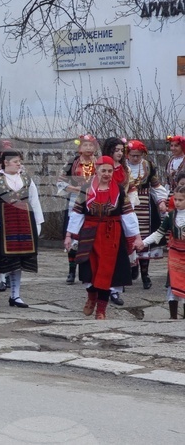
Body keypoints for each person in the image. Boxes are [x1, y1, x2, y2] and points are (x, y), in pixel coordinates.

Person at [65, 156, 140, 320]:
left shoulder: (119, 190)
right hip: (89, 234)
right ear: (96, 170)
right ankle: (91, 296)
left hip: (111, 235)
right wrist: (69, 235)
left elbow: (128, 214)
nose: (107, 174)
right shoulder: (86, 189)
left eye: (110, 171)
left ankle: (101, 310)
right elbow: (77, 212)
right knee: (89, 270)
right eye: (103, 170)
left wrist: (136, 237)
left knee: (107, 272)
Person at [0, 148, 44, 308]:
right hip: (3, 225)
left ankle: (15, 296)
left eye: (20, 161)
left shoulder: (26, 179)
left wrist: (38, 224)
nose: (19, 164)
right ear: (5, 162)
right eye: (16, 161)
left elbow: (34, 200)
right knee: (0, 260)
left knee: (19, 260)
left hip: (24, 224)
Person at [125, 140, 167, 291]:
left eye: (138, 155)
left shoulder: (148, 166)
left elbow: (156, 185)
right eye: (133, 155)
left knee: (144, 239)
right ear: (127, 154)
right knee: (128, 237)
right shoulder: (123, 167)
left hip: (145, 207)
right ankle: (129, 269)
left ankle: (145, 275)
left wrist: (162, 201)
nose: (135, 158)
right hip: (127, 205)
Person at [139, 186, 185, 319]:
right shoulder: (171, 216)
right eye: (175, 199)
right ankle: (173, 317)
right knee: (173, 282)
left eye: (180, 200)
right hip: (175, 254)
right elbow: (159, 233)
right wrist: (144, 243)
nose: (177, 202)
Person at [59, 134, 98, 284]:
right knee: (74, 232)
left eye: (91, 145)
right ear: (79, 147)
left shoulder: (99, 163)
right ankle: (71, 271)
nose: (88, 148)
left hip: (94, 201)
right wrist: (73, 188)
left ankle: (90, 270)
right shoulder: (72, 163)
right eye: (85, 145)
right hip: (76, 200)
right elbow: (60, 182)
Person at [102, 137, 131, 305]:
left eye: (122, 150)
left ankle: (115, 289)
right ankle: (103, 286)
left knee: (119, 252)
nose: (120, 153)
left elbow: (129, 189)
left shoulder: (124, 170)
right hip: (104, 215)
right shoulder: (101, 168)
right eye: (117, 150)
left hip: (121, 213)